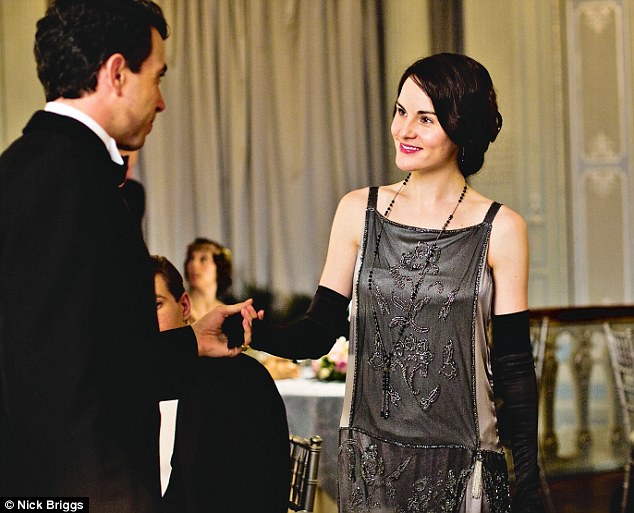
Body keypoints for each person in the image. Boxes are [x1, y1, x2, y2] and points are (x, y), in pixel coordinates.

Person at [247, 53, 544, 512]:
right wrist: (253, 331)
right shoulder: (357, 211)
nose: (404, 130)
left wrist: (528, 483)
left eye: (425, 118)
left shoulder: (501, 228)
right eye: (401, 111)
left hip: (464, 460)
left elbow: (514, 366)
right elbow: (319, 332)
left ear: (460, 126)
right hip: (370, 461)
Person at [0, 2, 252, 511]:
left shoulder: (38, 168)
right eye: (157, 77)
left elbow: (98, 356)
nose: (161, 101)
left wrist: (191, 342)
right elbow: (52, 384)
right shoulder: (64, 183)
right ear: (116, 73)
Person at [150, 256, 290, 513]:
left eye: (156, 305)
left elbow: (259, 491)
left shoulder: (239, 381)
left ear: (184, 306)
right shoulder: (118, 389)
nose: (145, 320)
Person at [184, 238, 235, 322]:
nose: (194, 264)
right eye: (191, 258)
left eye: (203, 259)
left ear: (219, 267)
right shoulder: (179, 309)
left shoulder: (227, 314)